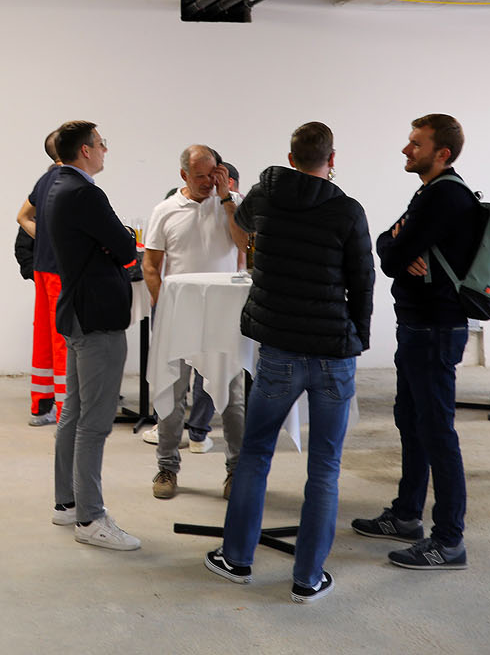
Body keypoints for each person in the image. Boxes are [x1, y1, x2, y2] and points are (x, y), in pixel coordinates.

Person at [208, 122, 372, 603]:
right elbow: (362, 280)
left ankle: (237, 559)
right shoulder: (347, 210)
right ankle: (307, 578)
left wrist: (230, 200)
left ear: (291, 156)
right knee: (325, 466)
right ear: (332, 159)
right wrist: (358, 337)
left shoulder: (267, 193)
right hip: (332, 351)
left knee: (256, 453)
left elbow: (243, 224)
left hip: (279, 349)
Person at [354, 114, 481, 570]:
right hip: (418, 326)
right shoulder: (429, 192)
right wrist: (397, 245)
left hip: (434, 328)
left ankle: (449, 540)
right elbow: (385, 243)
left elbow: (391, 257)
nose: (406, 150)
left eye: (415, 144)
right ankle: (407, 515)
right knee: (411, 421)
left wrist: (398, 246)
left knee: (437, 431)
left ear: (441, 153)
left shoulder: (445, 195)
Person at [45, 120, 140, 552]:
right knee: (95, 422)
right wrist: (117, 242)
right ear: (85, 150)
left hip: (78, 312)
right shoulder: (85, 193)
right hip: (96, 316)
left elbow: (114, 244)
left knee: (75, 411)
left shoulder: (57, 186)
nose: (105, 150)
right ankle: (90, 517)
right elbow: (125, 246)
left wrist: (113, 242)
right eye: (102, 144)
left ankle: (67, 503)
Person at [143, 144, 241, 501]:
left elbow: (246, 244)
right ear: (183, 175)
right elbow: (151, 265)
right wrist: (163, 306)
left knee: (232, 397)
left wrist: (226, 199)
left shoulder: (234, 204)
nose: (207, 181)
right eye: (199, 176)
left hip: (224, 317)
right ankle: (167, 466)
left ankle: (236, 471)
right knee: (172, 393)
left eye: (212, 173)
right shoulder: (165, 211)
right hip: (179, 316)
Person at [16, 130, 65, 425]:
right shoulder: (69, 182)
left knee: (45, 337)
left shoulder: (45, 180)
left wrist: (45, 240)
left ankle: (41, 405)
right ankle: (64, 410)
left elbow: (22, 217)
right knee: (62, 340)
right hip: (60, 270)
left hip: (43, 267)